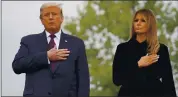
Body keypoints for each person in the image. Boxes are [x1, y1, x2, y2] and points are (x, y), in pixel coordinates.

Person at [12, 2, 90, 97]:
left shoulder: (77, 43)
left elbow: (83, 80)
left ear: (62, 18)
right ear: (41, 20)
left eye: (54, 14)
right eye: (46, 15)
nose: (50, 17)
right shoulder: (28, 41)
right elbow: (17, 66)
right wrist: (46, 56)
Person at [112, 9, 176, 96]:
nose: (138, 23)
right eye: (136, 20)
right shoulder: (122, 48)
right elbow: (117, 80)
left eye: (143, 21)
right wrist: (138, 64)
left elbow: (168, 82)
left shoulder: (161, 49)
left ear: (150, 24)